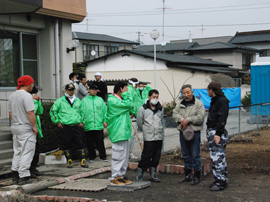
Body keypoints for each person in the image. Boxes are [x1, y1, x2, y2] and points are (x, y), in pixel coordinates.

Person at [172, 84, 205, 185]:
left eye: (188, 92)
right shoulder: (179, 104)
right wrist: (182, 120)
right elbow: (174, 114)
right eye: (184, 93)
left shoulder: (198, 104)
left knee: (195, 155)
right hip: (183, 132)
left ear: (192, 92)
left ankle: (197, 176)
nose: (186, 95)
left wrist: (188, 120)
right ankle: (188, 175)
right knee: (185, 154)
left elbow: (200, 117)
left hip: (194, 132)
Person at [50, 83, 88, 169]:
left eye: (72, 90)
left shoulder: (78, 100)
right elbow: (53, 111)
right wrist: (57, 121)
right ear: (66, 90)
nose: (71, 92)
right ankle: (69, 160)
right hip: (66, 126)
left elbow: (83, 112)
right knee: (66, 143)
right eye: (69, 90)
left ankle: (82, 160)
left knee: (80, 143)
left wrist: (82, 121)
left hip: (76, 125)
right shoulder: (60, 101)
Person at [8, 75, 37, 185]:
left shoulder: (12, 96)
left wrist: (17, 121)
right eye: (32, 83)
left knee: (18, 151)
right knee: (27, 151)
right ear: (28, 84)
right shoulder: (27, 96)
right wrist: (34, 126)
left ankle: (15, 173)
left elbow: (11, 113)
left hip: (15, 126)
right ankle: (24, 175)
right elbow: (30, 112)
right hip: (25, 127)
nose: (33, 86)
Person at [107, 82, 133, 185]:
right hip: (118, 132)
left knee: (124, 156)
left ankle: (121, 175)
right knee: (118, 155)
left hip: (124, 132)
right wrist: (127, 95)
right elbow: (129, 104)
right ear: (120, 90)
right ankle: (115, 176)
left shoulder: (120, 100)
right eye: (125, 89)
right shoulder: (112, 100)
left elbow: (131, 107)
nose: (127, 92)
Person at [136, 89, 164, 182]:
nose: (155, 99)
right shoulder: (143, 108)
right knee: (146, 156)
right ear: (149, 97)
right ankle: (140, 173)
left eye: (157, 97)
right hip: (149, 136)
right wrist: (145, 129)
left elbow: (161, 120)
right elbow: (140, 122)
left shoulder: (160, 108)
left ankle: (153, 174)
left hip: (158, 136)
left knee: (156, 156)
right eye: (153, 97)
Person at [206, 82, 229, 191]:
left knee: (218, 157)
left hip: (216, 131)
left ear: (212, 90)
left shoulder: (221, 101)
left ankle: (221, 181)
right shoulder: (216, 101)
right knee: (215, 157)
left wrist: (218, 133)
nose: (207, 92)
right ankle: (219, 179)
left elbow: (222, 118)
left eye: (208, 90)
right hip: (212, 130)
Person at [81, 84, 108, 162]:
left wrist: (105, 120)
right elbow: (81, 112)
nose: (94, 91)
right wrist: (82, 122)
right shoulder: (84, 100)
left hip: (98, 124)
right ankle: (92, 157)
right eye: (92, 89)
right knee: (90, 143)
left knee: (100, 142)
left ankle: (103, 157)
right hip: (88, 125)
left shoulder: (100, 100)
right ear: (89, 90)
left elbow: (104, 111)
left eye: (95, 90)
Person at [30, 86, 44, 178]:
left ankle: (34, 168)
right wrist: (35, 101)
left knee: (36, 149)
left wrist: (38, 102)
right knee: (31, 151)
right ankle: (30, 169)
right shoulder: (28, 100)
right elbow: (32, 111)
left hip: (37, 127)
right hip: (30, 128)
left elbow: (40, 111)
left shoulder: (35, 100)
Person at [127, 78, 143, 159]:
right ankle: (128, 153)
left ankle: (129, 153)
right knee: (131, 136)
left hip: (136, 115)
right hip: (132, 116)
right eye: (136, 84)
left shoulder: (134, 90)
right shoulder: (129, 90)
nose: (137, 86)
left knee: (133, 136)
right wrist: (132, 112)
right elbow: (130, 102)